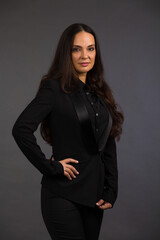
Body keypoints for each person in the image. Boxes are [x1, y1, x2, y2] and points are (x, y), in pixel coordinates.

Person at [12, 23, 124, 240]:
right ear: (67, 53)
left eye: (90, 48)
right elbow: (21, 129)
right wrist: (51, 167)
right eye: (77, 49)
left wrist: (111, 189)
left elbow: (107, 142)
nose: (85, 55)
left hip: (93, 198)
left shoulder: (100, 93)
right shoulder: (54, 88)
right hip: (62, 195)